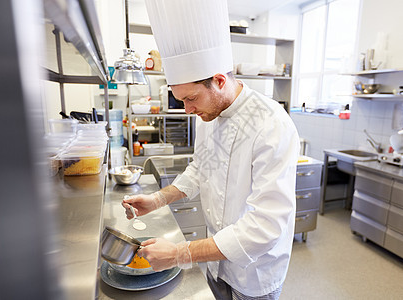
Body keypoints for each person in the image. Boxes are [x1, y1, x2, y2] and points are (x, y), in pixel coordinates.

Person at [122, 1, 300, 299]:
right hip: (216, 258)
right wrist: (156, 200)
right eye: (181, 101)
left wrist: (180, 253)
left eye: (191, 98)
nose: (188, 110)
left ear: (219, 81)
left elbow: (265, 227)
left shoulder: (272, 125)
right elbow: (201, 168)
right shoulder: (208, 114)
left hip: (255, 272)